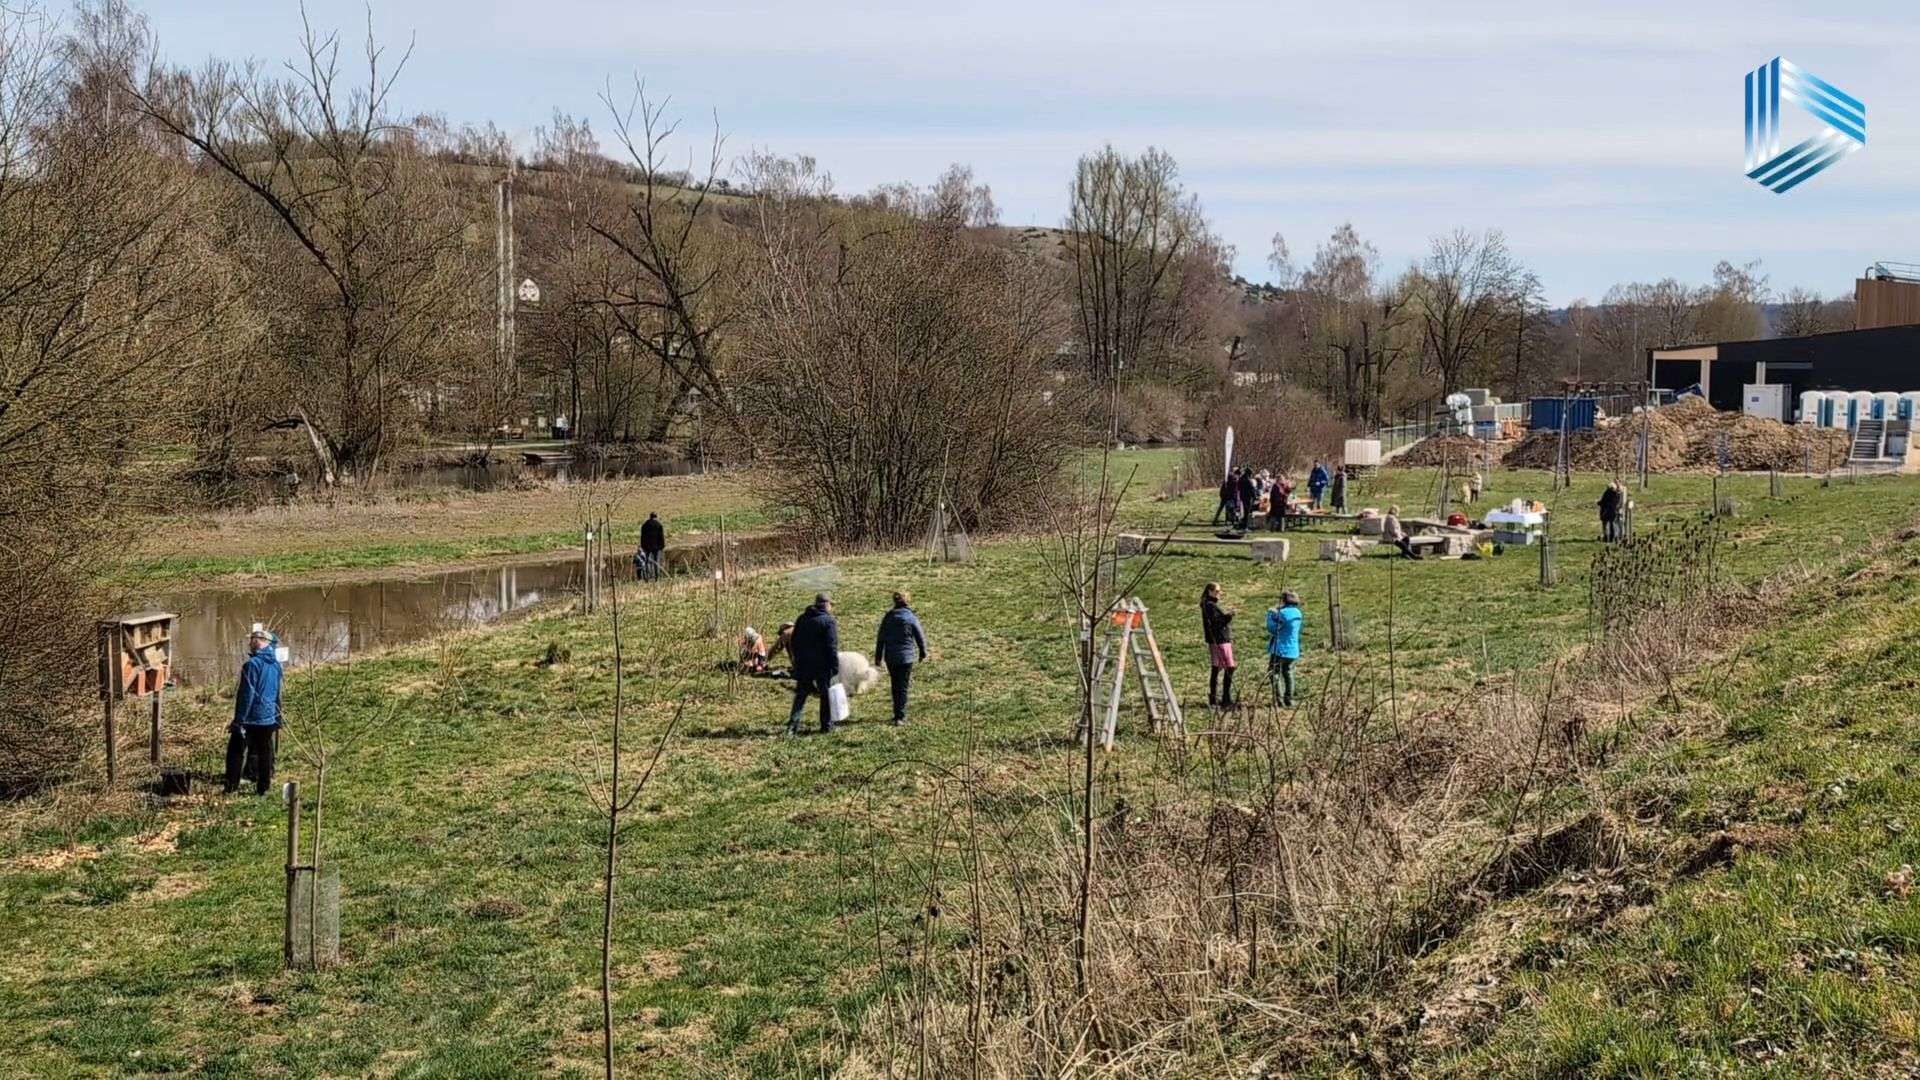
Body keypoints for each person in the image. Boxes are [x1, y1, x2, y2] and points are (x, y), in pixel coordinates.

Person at [224, 629, 283, 795]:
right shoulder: (276, 665)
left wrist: (239, 721)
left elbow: (246, 694)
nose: (249, 643)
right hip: (269, 716)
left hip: (252, 717)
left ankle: (230, 787)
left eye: (252, 640)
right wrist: (277, 715)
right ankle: (263, 788)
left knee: (235, 751)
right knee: (265, 752)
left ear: (259, 642)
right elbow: (278, 692)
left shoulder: (251, 665)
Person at [786, 593, 841, 735]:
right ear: (826, 605)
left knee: (800, 696)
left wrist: (796, 660)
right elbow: (831, 646)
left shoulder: (802, 618)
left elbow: (794, 642)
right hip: (822, 666)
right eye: (830, 604)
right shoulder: (829, 621)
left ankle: (792, 727)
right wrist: (834, 665)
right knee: (825, 696)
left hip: (804, 665)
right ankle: (826, 726)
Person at [874, 590, 930, 726]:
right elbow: (919, 636)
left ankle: (896, 714)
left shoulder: (888, 617)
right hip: (906, 657)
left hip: (891, 657)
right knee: (903, 686)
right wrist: (923, 653)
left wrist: (878, 657)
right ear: (907, 601)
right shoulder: (910, 617)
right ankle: (900, 716)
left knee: (895, 685)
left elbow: (880, 638)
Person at [1201, 582, 1237, 708]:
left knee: (1216, 667)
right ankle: (1226, 698)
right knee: (1229, 667)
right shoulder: (1210, 605)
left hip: (1213, 640)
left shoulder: (1207, 604)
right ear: (1210, 591)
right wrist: (1229, 616)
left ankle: (1213, 697)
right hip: (1220, 640)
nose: (1219, 593)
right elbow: (1218, 622)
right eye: (1217, 591)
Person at [1265, 590, 1304, 708]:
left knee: (1274, 673)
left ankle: (1279, 699)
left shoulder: (1281, 614)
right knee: (1288, 672)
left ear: (1283, 600)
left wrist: (1270, 615)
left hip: (1280, 649)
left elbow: (1272, 629)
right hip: (1293, 650)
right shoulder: (1297, 613)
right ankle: (1289, 699)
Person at [636, 512, 666, 581]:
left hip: (647, 546)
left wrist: (642, 546)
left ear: (650, 517)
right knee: (656, 562)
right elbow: (661, 537)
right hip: (656, 547)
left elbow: (642, 537)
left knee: (646, 561)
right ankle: (656, 577)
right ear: (656, 517)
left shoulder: (645, 525)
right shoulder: (659, 525)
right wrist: (662, 546)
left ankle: (647, 577)